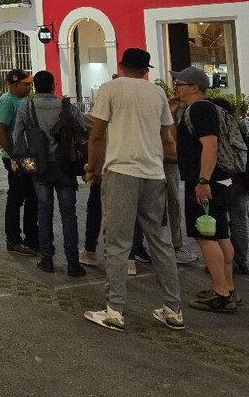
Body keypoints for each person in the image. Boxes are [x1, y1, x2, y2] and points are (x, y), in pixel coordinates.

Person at [83, 48, 184, 332]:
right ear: (146, 69)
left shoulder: (110, 89)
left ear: (122, 65)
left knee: (117, 243)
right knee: (160, 242)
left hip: (121, 171)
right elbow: (168, 138)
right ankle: (173, 309)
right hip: (154, 173)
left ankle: (114, 310)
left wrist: (92, 167)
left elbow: (97, 133)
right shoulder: (157, 94)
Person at [172, 66, 240, 312]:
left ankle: (220, 293)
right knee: (221, 234)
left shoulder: (199, 109)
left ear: (194, 87)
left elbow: (209, 146)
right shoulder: (207, 108)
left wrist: (202, 181)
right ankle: (228, 288)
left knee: (205, 235)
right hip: (219, 180)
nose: (175, 87)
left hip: (206, 181)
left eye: (179, 84)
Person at [12, 71, 86, 277]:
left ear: (35, 86)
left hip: (40, 166)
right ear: (54, 85)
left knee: (44, 212)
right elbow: (81, 132)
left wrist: (21, 163)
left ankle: (47, 258)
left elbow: (18, 135)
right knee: (69, 214)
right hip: (65, 166)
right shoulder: (67, 106)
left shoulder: (27, 106)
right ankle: (73, 261)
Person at [0, 69, 39, 257]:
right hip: (15, 156)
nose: (29, 87)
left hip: (27, 156)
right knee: (16, 197)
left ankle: (32, 237)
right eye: (25, 84)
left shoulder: (24, 101)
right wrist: (12, 154)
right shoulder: (7, 101)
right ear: (14, 84)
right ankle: (13, 239)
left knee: (32, 196)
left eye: (30, 84)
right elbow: (1, 129)